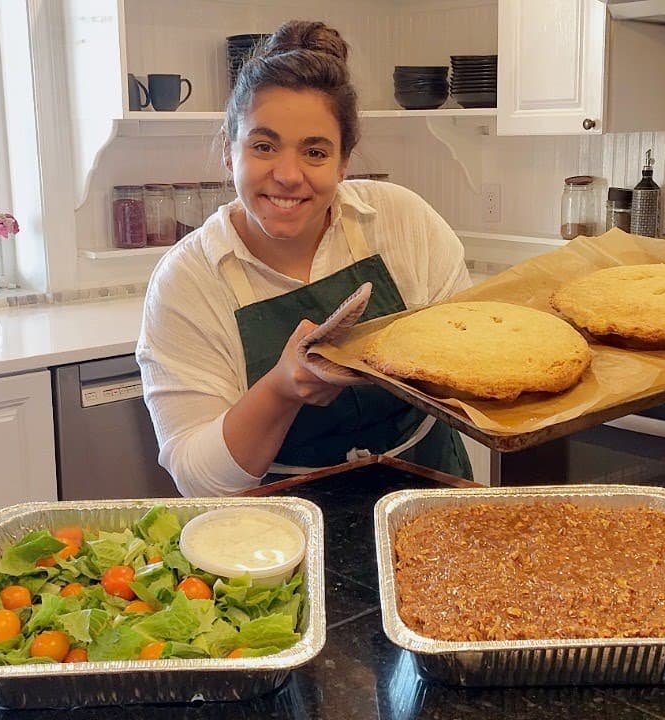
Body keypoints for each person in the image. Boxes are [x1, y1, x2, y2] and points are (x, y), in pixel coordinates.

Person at [137, 20, 473, 496]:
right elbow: (198, 480)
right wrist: (280, 390)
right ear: (229, 152)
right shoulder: (189, 280)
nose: (288, 175)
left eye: (315, 152)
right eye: (264, 146)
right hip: (279, 535)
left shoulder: (398, 220)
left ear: (343, 161)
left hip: (429, 492)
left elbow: (470, 357)